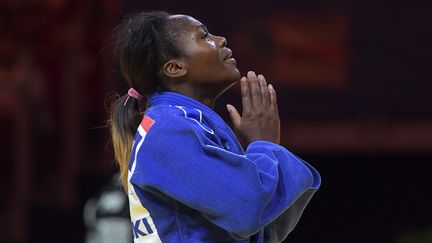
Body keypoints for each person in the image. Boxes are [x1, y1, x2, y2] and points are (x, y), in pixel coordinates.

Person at [109, 11, 321, 243]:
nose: (220, 40)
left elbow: (264, 232)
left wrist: (251, 157)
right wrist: (265, 147)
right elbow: (247, 212)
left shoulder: (183, 124)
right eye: (204, 36)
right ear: (175, 68)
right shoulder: (167, 129)